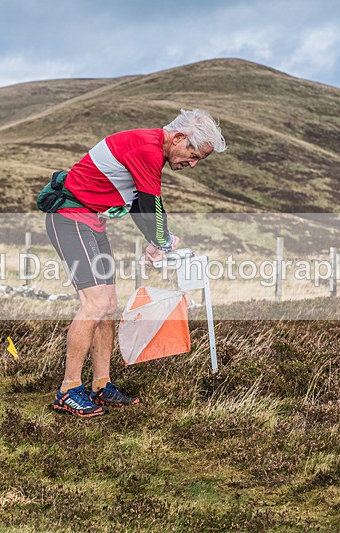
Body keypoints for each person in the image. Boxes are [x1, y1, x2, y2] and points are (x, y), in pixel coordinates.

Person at [38, 109, 226, 417]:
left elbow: (144, 205)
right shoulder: (147, 149)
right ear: (178, 138)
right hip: (70, 219)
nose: (191, 164)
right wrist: (163, 242)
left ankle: (101, 385)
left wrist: (158, 241)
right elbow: (149, 207)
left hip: (92, 223)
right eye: (193, 156)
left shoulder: (150, 149)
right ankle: (68, 390)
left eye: (198, 161)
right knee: (95, 304)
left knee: (108, 305)